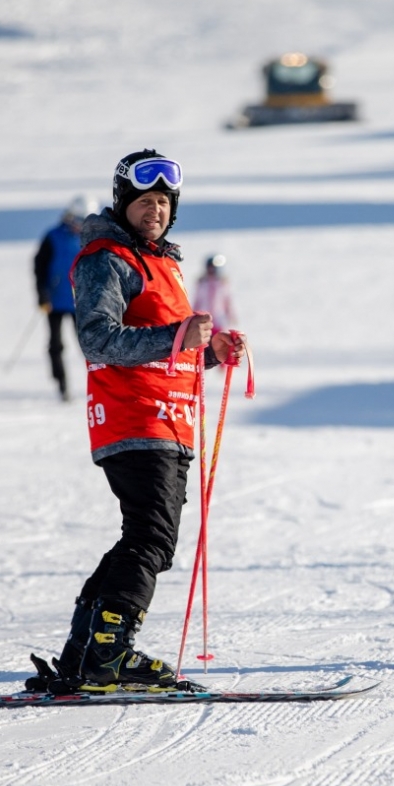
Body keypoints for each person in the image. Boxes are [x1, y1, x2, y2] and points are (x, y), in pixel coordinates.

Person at [42, 149, 246, 692]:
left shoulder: (162, 262)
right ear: (122, 204)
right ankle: (109, 656)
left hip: (167, 421)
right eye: (143, 201)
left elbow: (167, 347)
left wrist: (210, 352)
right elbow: (97, 338)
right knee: (151, 540)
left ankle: (85, 653)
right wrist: (178, 337)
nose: (153, 210)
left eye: (162, 202)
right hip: (136, 418)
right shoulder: (106, 260)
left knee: (142, 538)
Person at [33, 195, 98, 401]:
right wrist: (43, 296)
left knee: (89, 344)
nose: (79, 225)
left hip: (82, 303)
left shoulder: (94, 239)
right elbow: (39, 267)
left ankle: (98, 384)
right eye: (77, 220)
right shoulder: (53, 236)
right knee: (56, 344)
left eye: (84, 221)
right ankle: (61, 385)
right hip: (55, 301)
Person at [191, 254, 237, 332]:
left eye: (213, 268)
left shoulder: (222, 283)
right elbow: (197, 301)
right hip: (204, 317)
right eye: (209, 267)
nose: (211, 270)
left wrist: (230, 315)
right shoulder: (202, 283)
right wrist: (192, 315)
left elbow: (226, 301)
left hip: (218, 318)